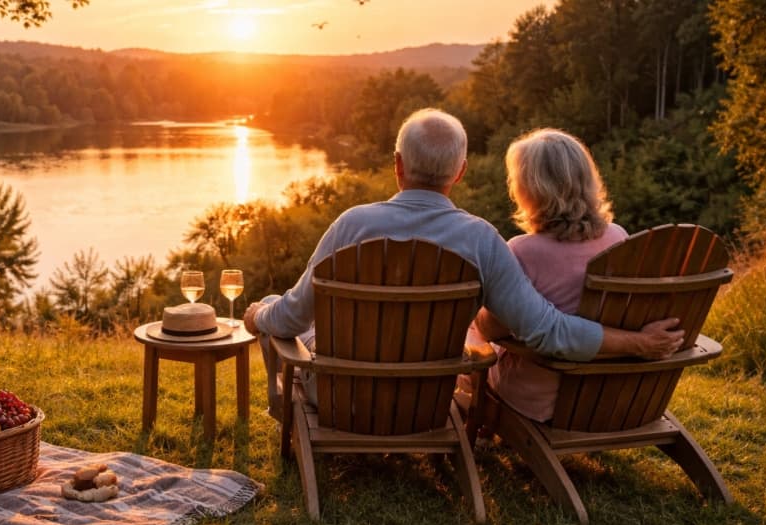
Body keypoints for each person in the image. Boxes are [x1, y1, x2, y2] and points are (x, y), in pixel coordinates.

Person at [242, 108, 683, 417]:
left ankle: (283, 411)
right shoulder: (482, 240)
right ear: (460, 171)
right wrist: (637, 343)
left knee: (278, 309)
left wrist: (259, 313)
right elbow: (547, 328)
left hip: (341, 395)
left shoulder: (351, 226)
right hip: (431, 398)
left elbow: (290, 317)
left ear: (397, 165)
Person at [458, 127, 626, 422]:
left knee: (469, 333)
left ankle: (472, 418)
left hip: (538, 397)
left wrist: (478, 313)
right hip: (607, 393)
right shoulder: (619, 238)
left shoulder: (523, 251)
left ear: (528, 188)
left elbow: (494, 330)